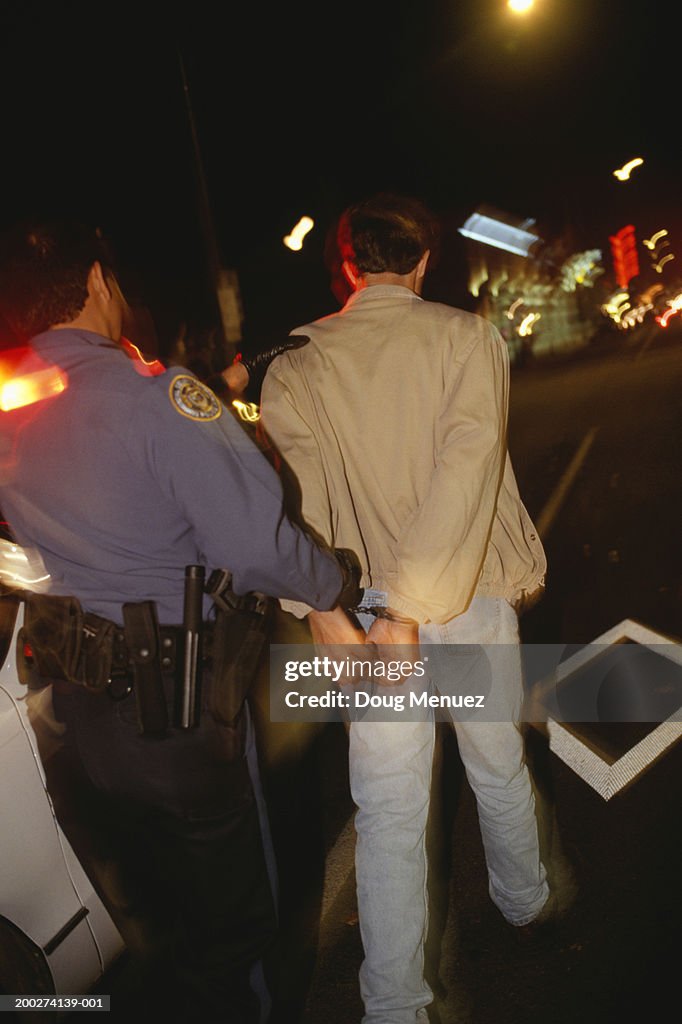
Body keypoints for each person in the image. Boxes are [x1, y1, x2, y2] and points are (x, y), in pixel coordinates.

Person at [0, 219, 362, 1024]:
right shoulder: (157, 397)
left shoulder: (12, 408)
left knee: (168, 937)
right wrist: (335, 581)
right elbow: (259, 547)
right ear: (98, 282)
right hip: (184, 715)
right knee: (243, 941)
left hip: (86, 727)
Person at [259, 192, 551, 1023]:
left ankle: (394, 1006)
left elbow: (295, 506)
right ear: (424, 260)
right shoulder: (467, 339)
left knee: (386, 810)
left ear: (347, 265)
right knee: (495, 762)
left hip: (358, 619)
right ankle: (524, 901)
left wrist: (332, 609)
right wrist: (413, 609)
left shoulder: (295, 362)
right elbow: (467, 471)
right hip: (463, 597)